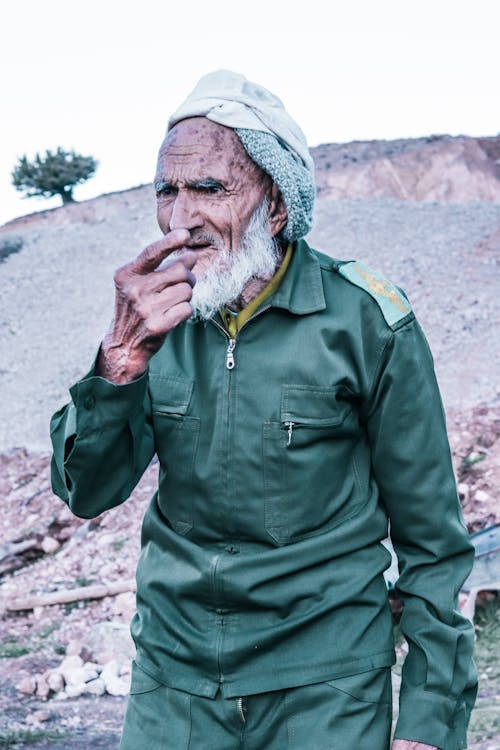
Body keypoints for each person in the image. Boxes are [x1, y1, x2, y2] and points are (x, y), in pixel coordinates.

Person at [50, 70, 477, 750]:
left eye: (209, 189)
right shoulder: (151, 316)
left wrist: (429, 718)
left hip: (326, 685)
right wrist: (119, 365)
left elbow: (434, 542)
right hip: (175, 681)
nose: (179, 218)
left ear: (275, 204)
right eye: (167, 190)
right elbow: (87, 493)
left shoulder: (366, 320)